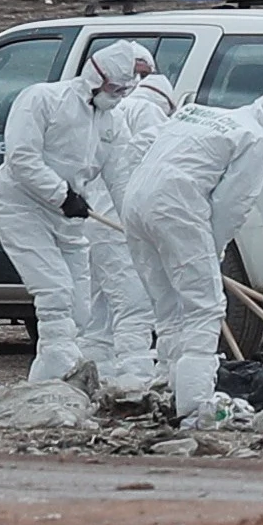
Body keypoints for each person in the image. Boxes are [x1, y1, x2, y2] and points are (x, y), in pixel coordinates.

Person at [125, 88, 263, 425]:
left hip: (136, 202)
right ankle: (193, 406)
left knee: (168, 307)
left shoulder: (200, 113)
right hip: (177, 204)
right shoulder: (254, 138)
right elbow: (233, 203)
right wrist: (212, 249)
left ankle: (167, 387)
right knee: (204, 308)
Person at [0, 40, 143, 383]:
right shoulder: (42, 100)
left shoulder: (112, 123)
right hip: (22, 208)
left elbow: (120, 179)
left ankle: (48, 383)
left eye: (123, 90)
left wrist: (135, 222)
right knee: (55, 292)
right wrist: (61, 194)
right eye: (113, 88)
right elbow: (21, 159)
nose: (117, 96)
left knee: (79, 307)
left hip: (70, 218)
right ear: (95, 77)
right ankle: (56, 381)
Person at [89, 69, 180, 388]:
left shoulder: (115, 111)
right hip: (120, 223)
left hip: (95, 222)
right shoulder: (150, 114)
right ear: (167, 102)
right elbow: (160, 163)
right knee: (134, 305)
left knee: (99, 310)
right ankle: (134, 379)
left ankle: (95, 373)